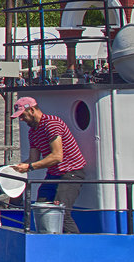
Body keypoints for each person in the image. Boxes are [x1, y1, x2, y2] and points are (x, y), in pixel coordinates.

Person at [11, 96, 87, 233]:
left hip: (71, 172)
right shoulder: (33, 132)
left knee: (61, 212)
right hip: (54, 174)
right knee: (41, 207)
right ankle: (48, 238)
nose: (21, 120)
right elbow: (33, 158)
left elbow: (57, 156)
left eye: (23, 115)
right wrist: (16, 169)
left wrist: (30, 167)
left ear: (32, 110)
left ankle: (75, 245)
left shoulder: (52, 124)